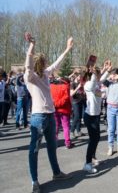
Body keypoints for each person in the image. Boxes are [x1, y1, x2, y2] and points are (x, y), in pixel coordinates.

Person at [24, 33, 73, 193]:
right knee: (34, 151)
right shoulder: (30, 77)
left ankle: (56, 173)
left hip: (51, 116)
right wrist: (32, 46)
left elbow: (57, 64)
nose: (47, 64)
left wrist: (67, 49)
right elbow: (28, 65)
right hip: (38, 118)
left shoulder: (45, 74)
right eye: (44, 62)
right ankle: (34, 181)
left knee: (52, 147)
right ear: (39, 63)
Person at [82, 60, 111, 173]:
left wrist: (107, 70)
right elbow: (95, 80)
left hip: (96, 116)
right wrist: (94, 72)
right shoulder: (88, 85)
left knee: (96, 138)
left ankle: (92, 158)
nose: (100, 76)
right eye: (98, 74)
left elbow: (101, 79)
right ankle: (87, 163)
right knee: (93, 139)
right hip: (89, 116)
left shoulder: (97, 82)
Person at [50, 77, 74, 149]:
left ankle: (55, 142)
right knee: (66, 127)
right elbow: (66, 98)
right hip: (64, 109)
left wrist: (56, 104)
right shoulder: (66, 87)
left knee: (56, 126)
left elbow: (51, 97)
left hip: (55, 108)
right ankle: (67, 143)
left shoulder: (52, 86)